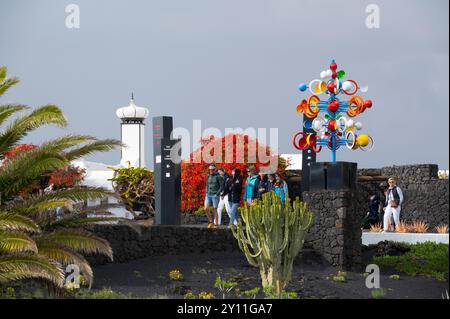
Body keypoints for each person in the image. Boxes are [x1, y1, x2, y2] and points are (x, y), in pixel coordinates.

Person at [205, 164, 224, 229]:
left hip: (215, 195)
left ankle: (216, 224)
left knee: (215, 210)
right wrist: (206, 191)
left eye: (212, 169)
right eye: (210, 169)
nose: (211, 171)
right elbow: (207, 184)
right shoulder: (208, 176)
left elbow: (222, 186)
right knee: (206, 208)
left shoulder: (219, 177)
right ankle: (211, 222)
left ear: (215, 170)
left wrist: (217, 194)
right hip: (208, 195)